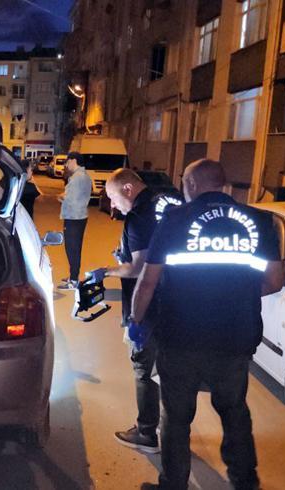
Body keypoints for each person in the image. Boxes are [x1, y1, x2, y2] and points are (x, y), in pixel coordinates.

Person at [131, 159, 284, 490]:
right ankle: (245, 482)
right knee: (234, 412)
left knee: (176, 416)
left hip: (181, 336)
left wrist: (136, 321)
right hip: (235, 337)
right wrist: (239, 294)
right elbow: (275, 280)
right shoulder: (259, 220)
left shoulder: (174, 220)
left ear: (192, 184)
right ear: (223, 183)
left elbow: (147, 282)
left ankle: (173, 484)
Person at [87, 168, 183, 453]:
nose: (113, 206)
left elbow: (140, 268)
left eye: (113, 197)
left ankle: (146, 432)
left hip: (151, 304)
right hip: (181, 300)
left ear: (128, 189)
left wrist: (107, 271)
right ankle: (175, 432)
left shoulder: (139, 216)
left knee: (144, 368)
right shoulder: (172, 203)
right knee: (174, 372)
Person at [58, 152, 93, 290]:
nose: (67, 165)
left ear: (74, 160)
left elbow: (70, 199)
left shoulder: (77, 177)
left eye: (67, 162)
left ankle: (73, 280)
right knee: (75, 248)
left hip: (73, 217)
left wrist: (61, 197)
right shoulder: (85, 176)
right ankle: (73, 276)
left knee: (72, 249)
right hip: (80, 216)